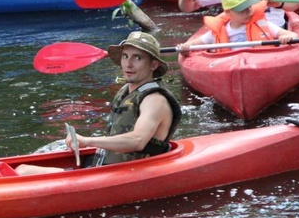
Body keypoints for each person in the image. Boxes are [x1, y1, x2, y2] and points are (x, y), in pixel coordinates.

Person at [16, 32, 182, 175]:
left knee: (22, 172)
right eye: (125, 56)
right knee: (21, 168)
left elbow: (137, 141)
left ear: (153, 64)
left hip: (131, 173)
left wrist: (88, 141)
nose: (128, 64)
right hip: (109, 167)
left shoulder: (155, 100)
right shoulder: (127, 90)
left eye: (137, 58)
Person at [177, 0, 299, 54]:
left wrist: (287, 37)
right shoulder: (219, 30)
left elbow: (292, 35)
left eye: (249, 7)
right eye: (241, 9)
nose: (248, 12)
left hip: (260, 62)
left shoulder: (262, 24)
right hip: (228, 64)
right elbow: (193, 45)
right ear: (228, 12)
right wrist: (185, 49)